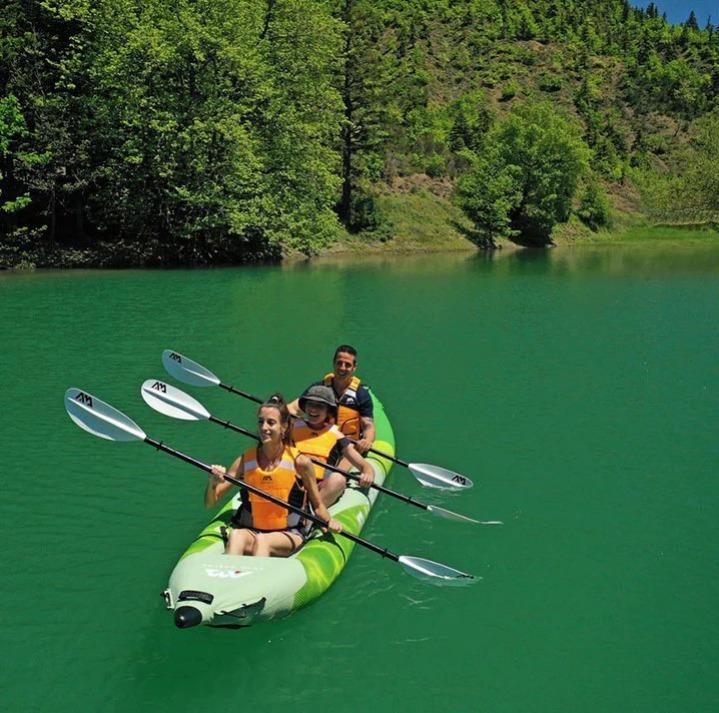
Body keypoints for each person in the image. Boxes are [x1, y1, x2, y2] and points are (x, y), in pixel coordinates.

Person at [207, 394, 341, 557]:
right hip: (252, 530)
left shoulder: (301, 462)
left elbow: (318, 506)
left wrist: (329, 522)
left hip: (289, 533)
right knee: (236, 536)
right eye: (260, 422)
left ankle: (254, 579)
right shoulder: (245, 459)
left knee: (264, 541)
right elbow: (210, 503)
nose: (264, 428)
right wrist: (213, 483)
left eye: (271, 422)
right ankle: (226, 576)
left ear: (284, 427)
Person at [291, 384, 374, 507]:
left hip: (319, 486)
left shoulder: (336, 435)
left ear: (328, 411)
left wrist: (368, 473)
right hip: (291, 482)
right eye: (310, 405)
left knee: (338, 480)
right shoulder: (292, 427)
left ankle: (311, 513)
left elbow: (363, 465)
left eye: (319, 406)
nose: (313, 410)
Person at [289, 344, 376, 454]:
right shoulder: (318, 389)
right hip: (320, 440)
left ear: (354, 368)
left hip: (349, 446)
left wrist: (367, 441)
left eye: (347, 365)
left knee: (341, 465)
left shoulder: (361, 395)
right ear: (334, 363)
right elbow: (292, 408)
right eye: (339, 363)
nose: (342, 368)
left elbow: (368, 425)